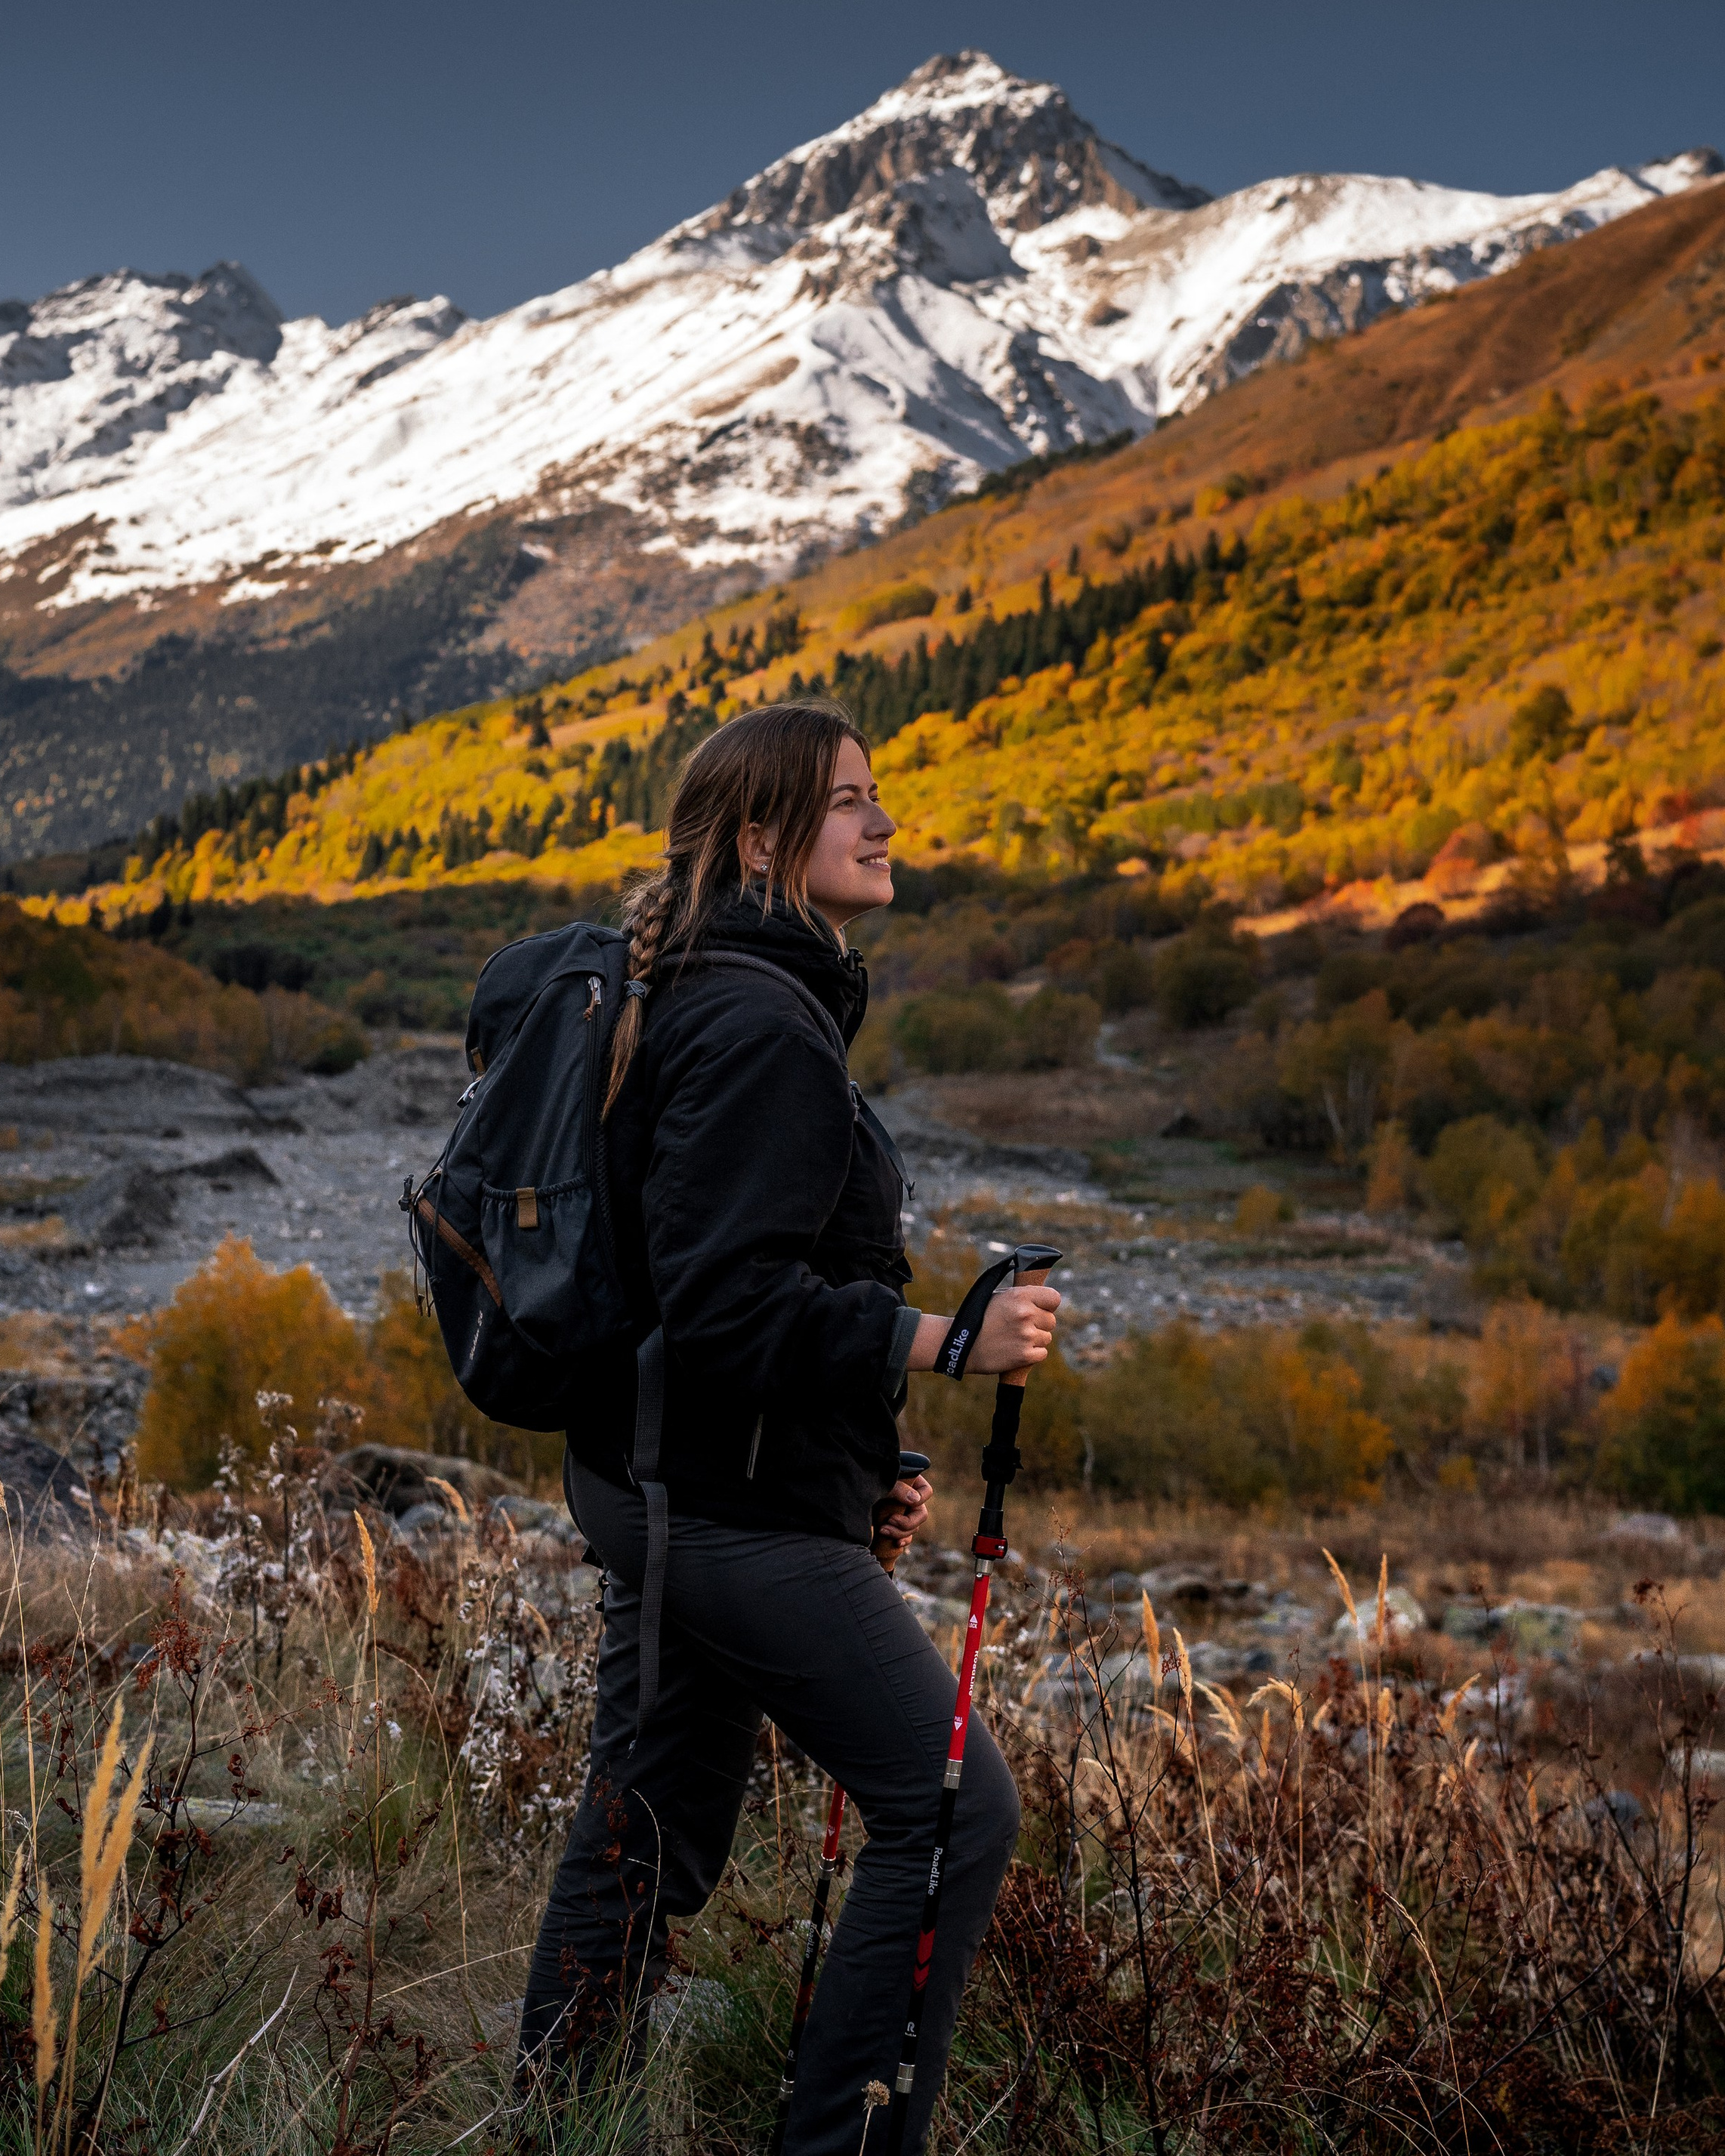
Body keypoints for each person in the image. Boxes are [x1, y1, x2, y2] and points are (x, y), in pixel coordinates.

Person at [515, 702, 1060, 2151]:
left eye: (880, 798)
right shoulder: (762, 1022)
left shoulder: (717, 990)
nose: (885, 824)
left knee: (651, 1823)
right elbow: (728, 1302)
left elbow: (761, 1284)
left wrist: (870, 1459)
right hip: (719, 1501)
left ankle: (552, 2122)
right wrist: (947, 1343)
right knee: (949, 1808)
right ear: (764, 839)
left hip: (675, 1477)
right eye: (851, 803)